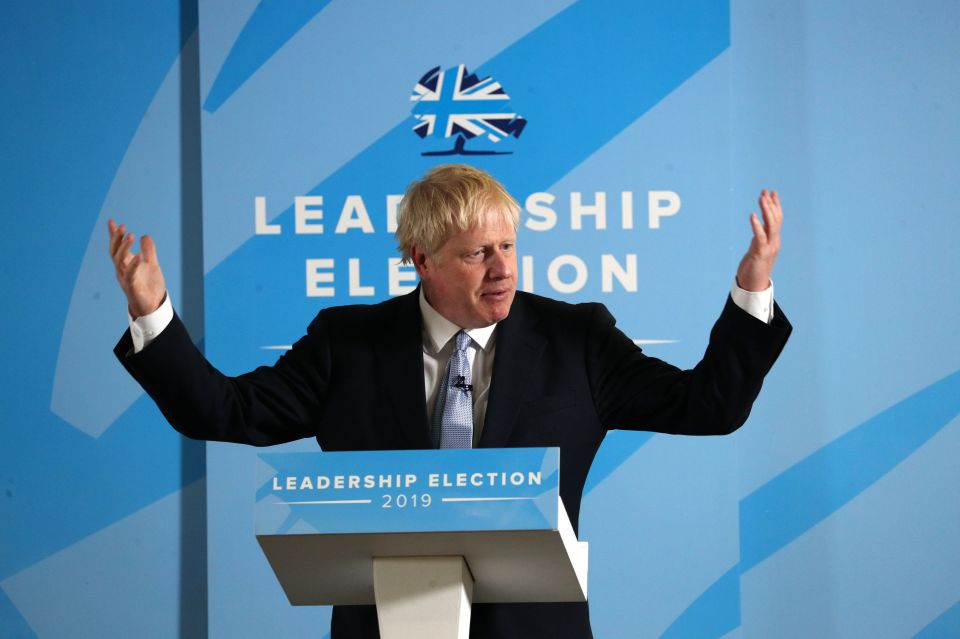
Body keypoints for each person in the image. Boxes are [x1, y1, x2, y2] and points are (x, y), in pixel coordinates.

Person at [109, 164, 791, 638]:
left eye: (507, 246)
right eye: (474, 254)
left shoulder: (577, 339)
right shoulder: (348, 342)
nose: (501, 269)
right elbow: (225, 411)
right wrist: (153, 314)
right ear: (421, 258)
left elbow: (710, 405)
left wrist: (752, 291)